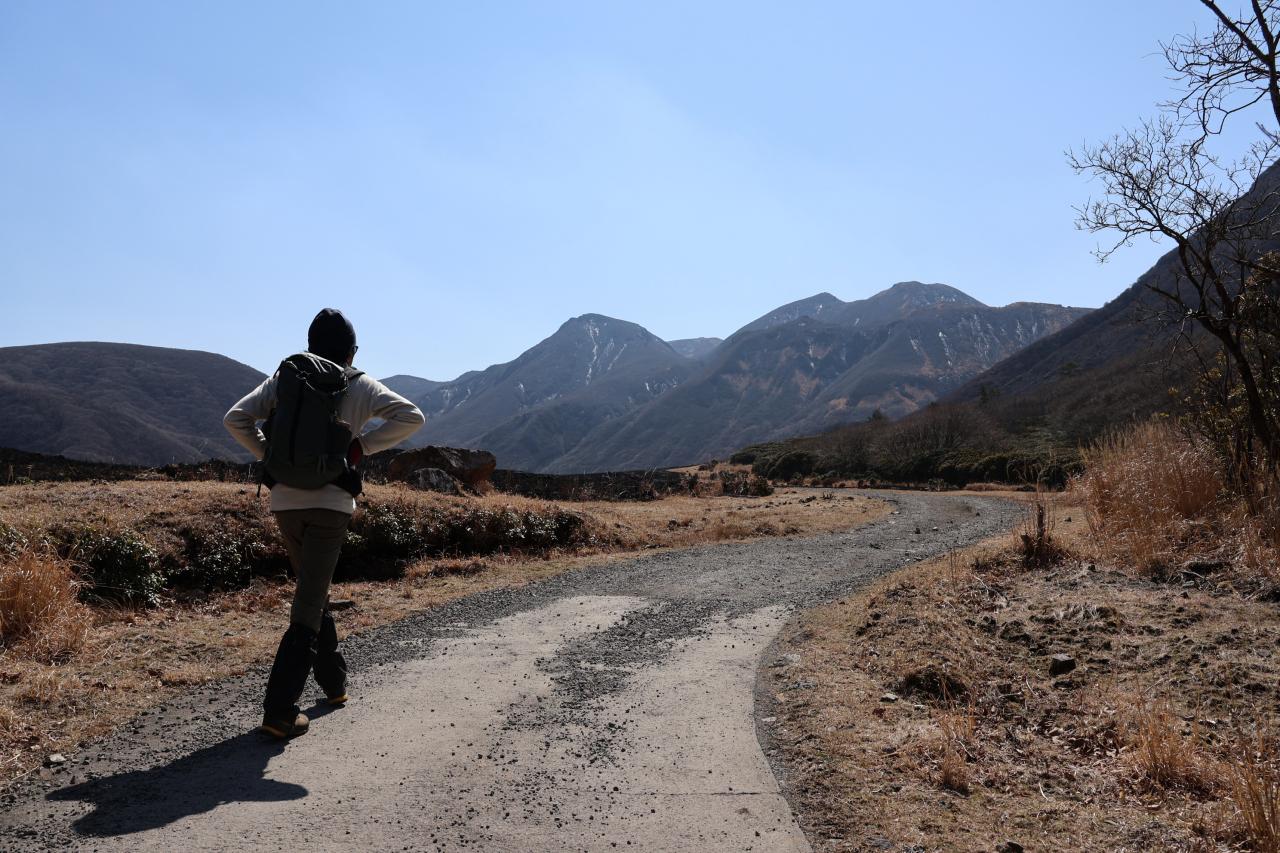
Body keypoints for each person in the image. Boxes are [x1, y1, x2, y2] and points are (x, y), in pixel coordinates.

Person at [224, 308, 424, 738]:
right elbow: (413, 417)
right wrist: (360, 447)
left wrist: (271, 456)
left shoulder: (286, 378)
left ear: (311, 345)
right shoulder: (358, 383)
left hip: (284, 501)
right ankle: (279, 711)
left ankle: (334, 684)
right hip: (331, 504)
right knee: (309, 603)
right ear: (352, 351)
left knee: (313, 589)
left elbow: (235, 418)